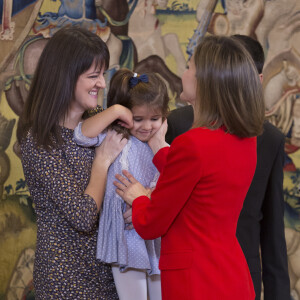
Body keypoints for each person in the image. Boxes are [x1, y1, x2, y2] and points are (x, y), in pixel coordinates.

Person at [113, 35, 265, 299]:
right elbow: (200, 180)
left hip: (197, 282)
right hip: (232, 276)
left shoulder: (193, 144)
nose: (183, 73)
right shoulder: (245, 140)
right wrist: (160, 147)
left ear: (205, 81)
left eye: (189, 67)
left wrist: (138, 197)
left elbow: (151, 224)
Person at [166, 34, 290, 300]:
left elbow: (272, 229)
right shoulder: (177, 124)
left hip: (242, 275)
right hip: (189, 276)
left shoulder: (269, 138)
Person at [16, 26, 133, 299]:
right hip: (66, 278)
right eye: (93, 76)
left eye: (102, 74)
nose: (102, 83)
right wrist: (102, 160)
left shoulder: (96, 120)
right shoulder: (40, 141)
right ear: (65, 78)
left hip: (108, 272)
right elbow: (82, 215)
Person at [73, 69, 169, 300]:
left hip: (153, 234)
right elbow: (81, 134)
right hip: (125, 233)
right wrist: (115, 111)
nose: (147, 126)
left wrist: (150, 194)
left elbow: (171, 185)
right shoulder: (115, 136)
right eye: (138, 119)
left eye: (154, 119)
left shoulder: (162, 147)